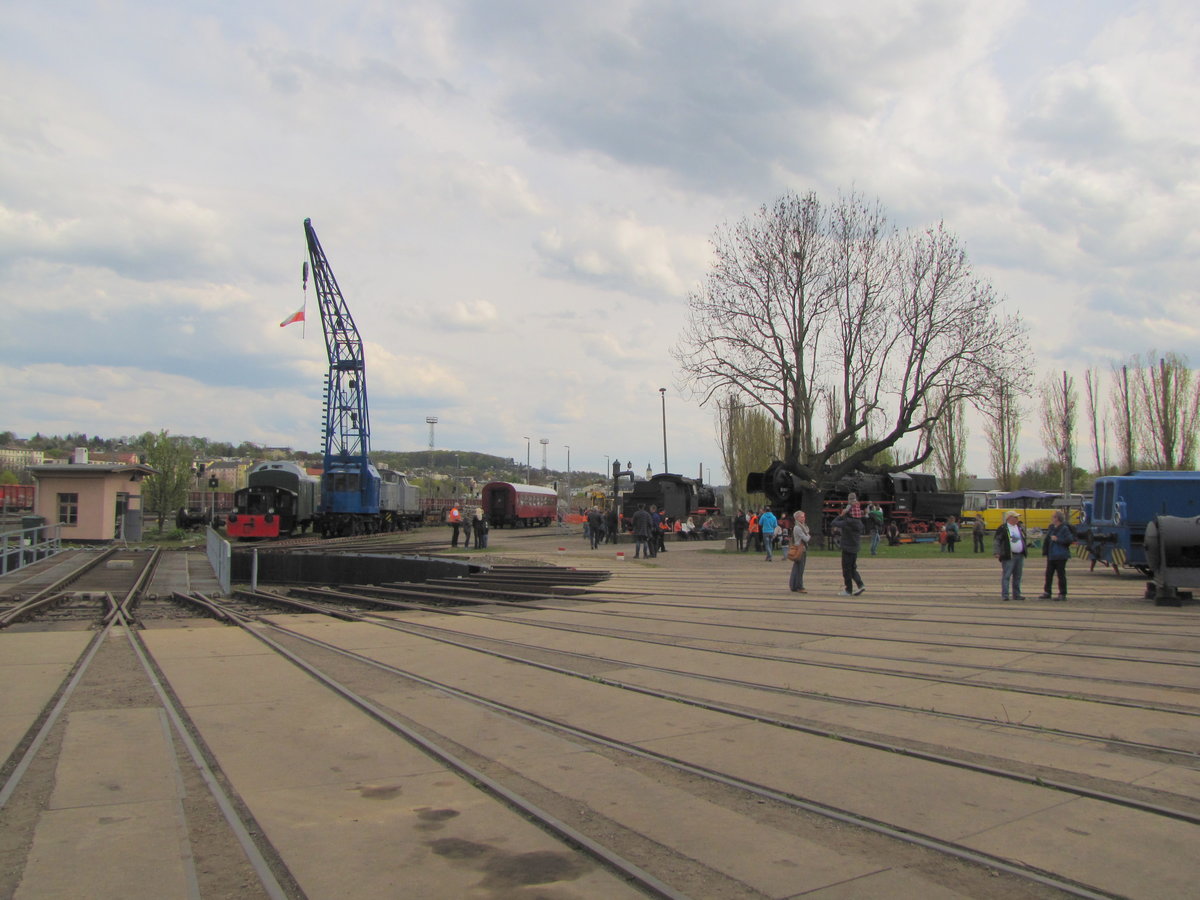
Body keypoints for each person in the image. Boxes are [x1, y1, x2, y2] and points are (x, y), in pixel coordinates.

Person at [1039, 510, 1075, 600]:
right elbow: (1047, 540)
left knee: (1061, 574)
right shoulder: (1051, 528)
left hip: (1060, 555)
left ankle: (1062, 594)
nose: (1052, 518)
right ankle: (1047, 592)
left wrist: (1058, 539)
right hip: (1051, 555)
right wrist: (1045, 550)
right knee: (1048, 574)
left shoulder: (1064, 528)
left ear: (1057, 518)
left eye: (1053, 517)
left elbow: (1069, 540)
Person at [831, 505, 866, 595]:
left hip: (847, 548)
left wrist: (841, 515)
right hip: (855, 548)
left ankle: (848, 589)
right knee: (853, 568)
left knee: (846, 570)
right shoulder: (859, 523)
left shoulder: (846, 522)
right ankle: (860, 584)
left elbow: (833, 523)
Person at [994, 510, 1028, 601]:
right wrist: (997, 552)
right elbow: (997, 540)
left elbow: (1020, 539)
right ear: (1009, 518)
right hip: (1008, 555)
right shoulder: (1003, 528)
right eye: (1015, 517)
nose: (1017, 519)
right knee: (1007, 575)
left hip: (1019, 555)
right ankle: (1005, 595)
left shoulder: (1019, 527)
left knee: (1018, 576)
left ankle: (1016, 594)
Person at [789, 510, 811, 593]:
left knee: (796, 568)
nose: (804, 518)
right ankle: (799, 586)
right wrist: (808, 535)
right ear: (797, 518)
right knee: (800, 569)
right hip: (800, 550)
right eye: (802, 517)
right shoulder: (798, 528)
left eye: (804, 516)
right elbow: (806, 538)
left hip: (801, 549)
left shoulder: (802, 526)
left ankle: (794, 585)